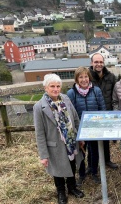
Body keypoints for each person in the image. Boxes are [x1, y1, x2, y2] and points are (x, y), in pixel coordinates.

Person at [33, 74, 84, 204]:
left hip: (71, 141)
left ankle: (72, 187)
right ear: (45, 88)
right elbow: (39, 133)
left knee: (72, 164)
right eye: (52, 86)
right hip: (55, 145)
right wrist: (43, 155)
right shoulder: (39, 107)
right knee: (57, 169)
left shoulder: (65, 99)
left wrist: (80, 137)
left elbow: (75, 118)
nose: (55, 89)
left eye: (58, 86)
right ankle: (61, 192)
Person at [67, 67, 106, 185]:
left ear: (89, 77)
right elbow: (70, 114)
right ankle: (82, 174)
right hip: (79, 129)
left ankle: (94, 172)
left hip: (94, 128)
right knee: (80, 153)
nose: (84, 79)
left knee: (94, 152)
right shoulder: (71, 93)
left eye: (86, 76)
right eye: (81, 77)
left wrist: (101, 125)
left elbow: (102, 108)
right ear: (76, 79)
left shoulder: (96, 91)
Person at [89, 53, 118, 169]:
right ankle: (92, 164)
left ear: (103, 62)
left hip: (107, 112)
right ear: (92, 63)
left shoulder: (110, 77)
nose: (98, 64)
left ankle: (107, 160)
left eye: (100, 62)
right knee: (91, 142)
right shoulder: (87, 76)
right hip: (93, 113)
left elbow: (115, 95)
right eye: (96, 62)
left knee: (105, 139)